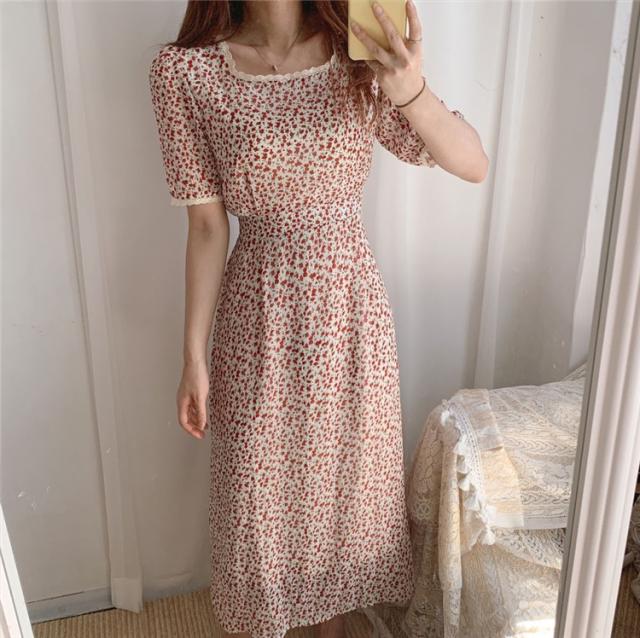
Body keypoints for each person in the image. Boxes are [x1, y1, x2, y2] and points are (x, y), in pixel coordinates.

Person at [147, 1, 488, 637]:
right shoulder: (185, 73)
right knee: (260, 491)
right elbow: (206, 226)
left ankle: (331, 627)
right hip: (257, 314)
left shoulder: (358, 55)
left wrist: (409, 88)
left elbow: (473, 164)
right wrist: (192, 356)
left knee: (342, 486)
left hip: (348, 308)